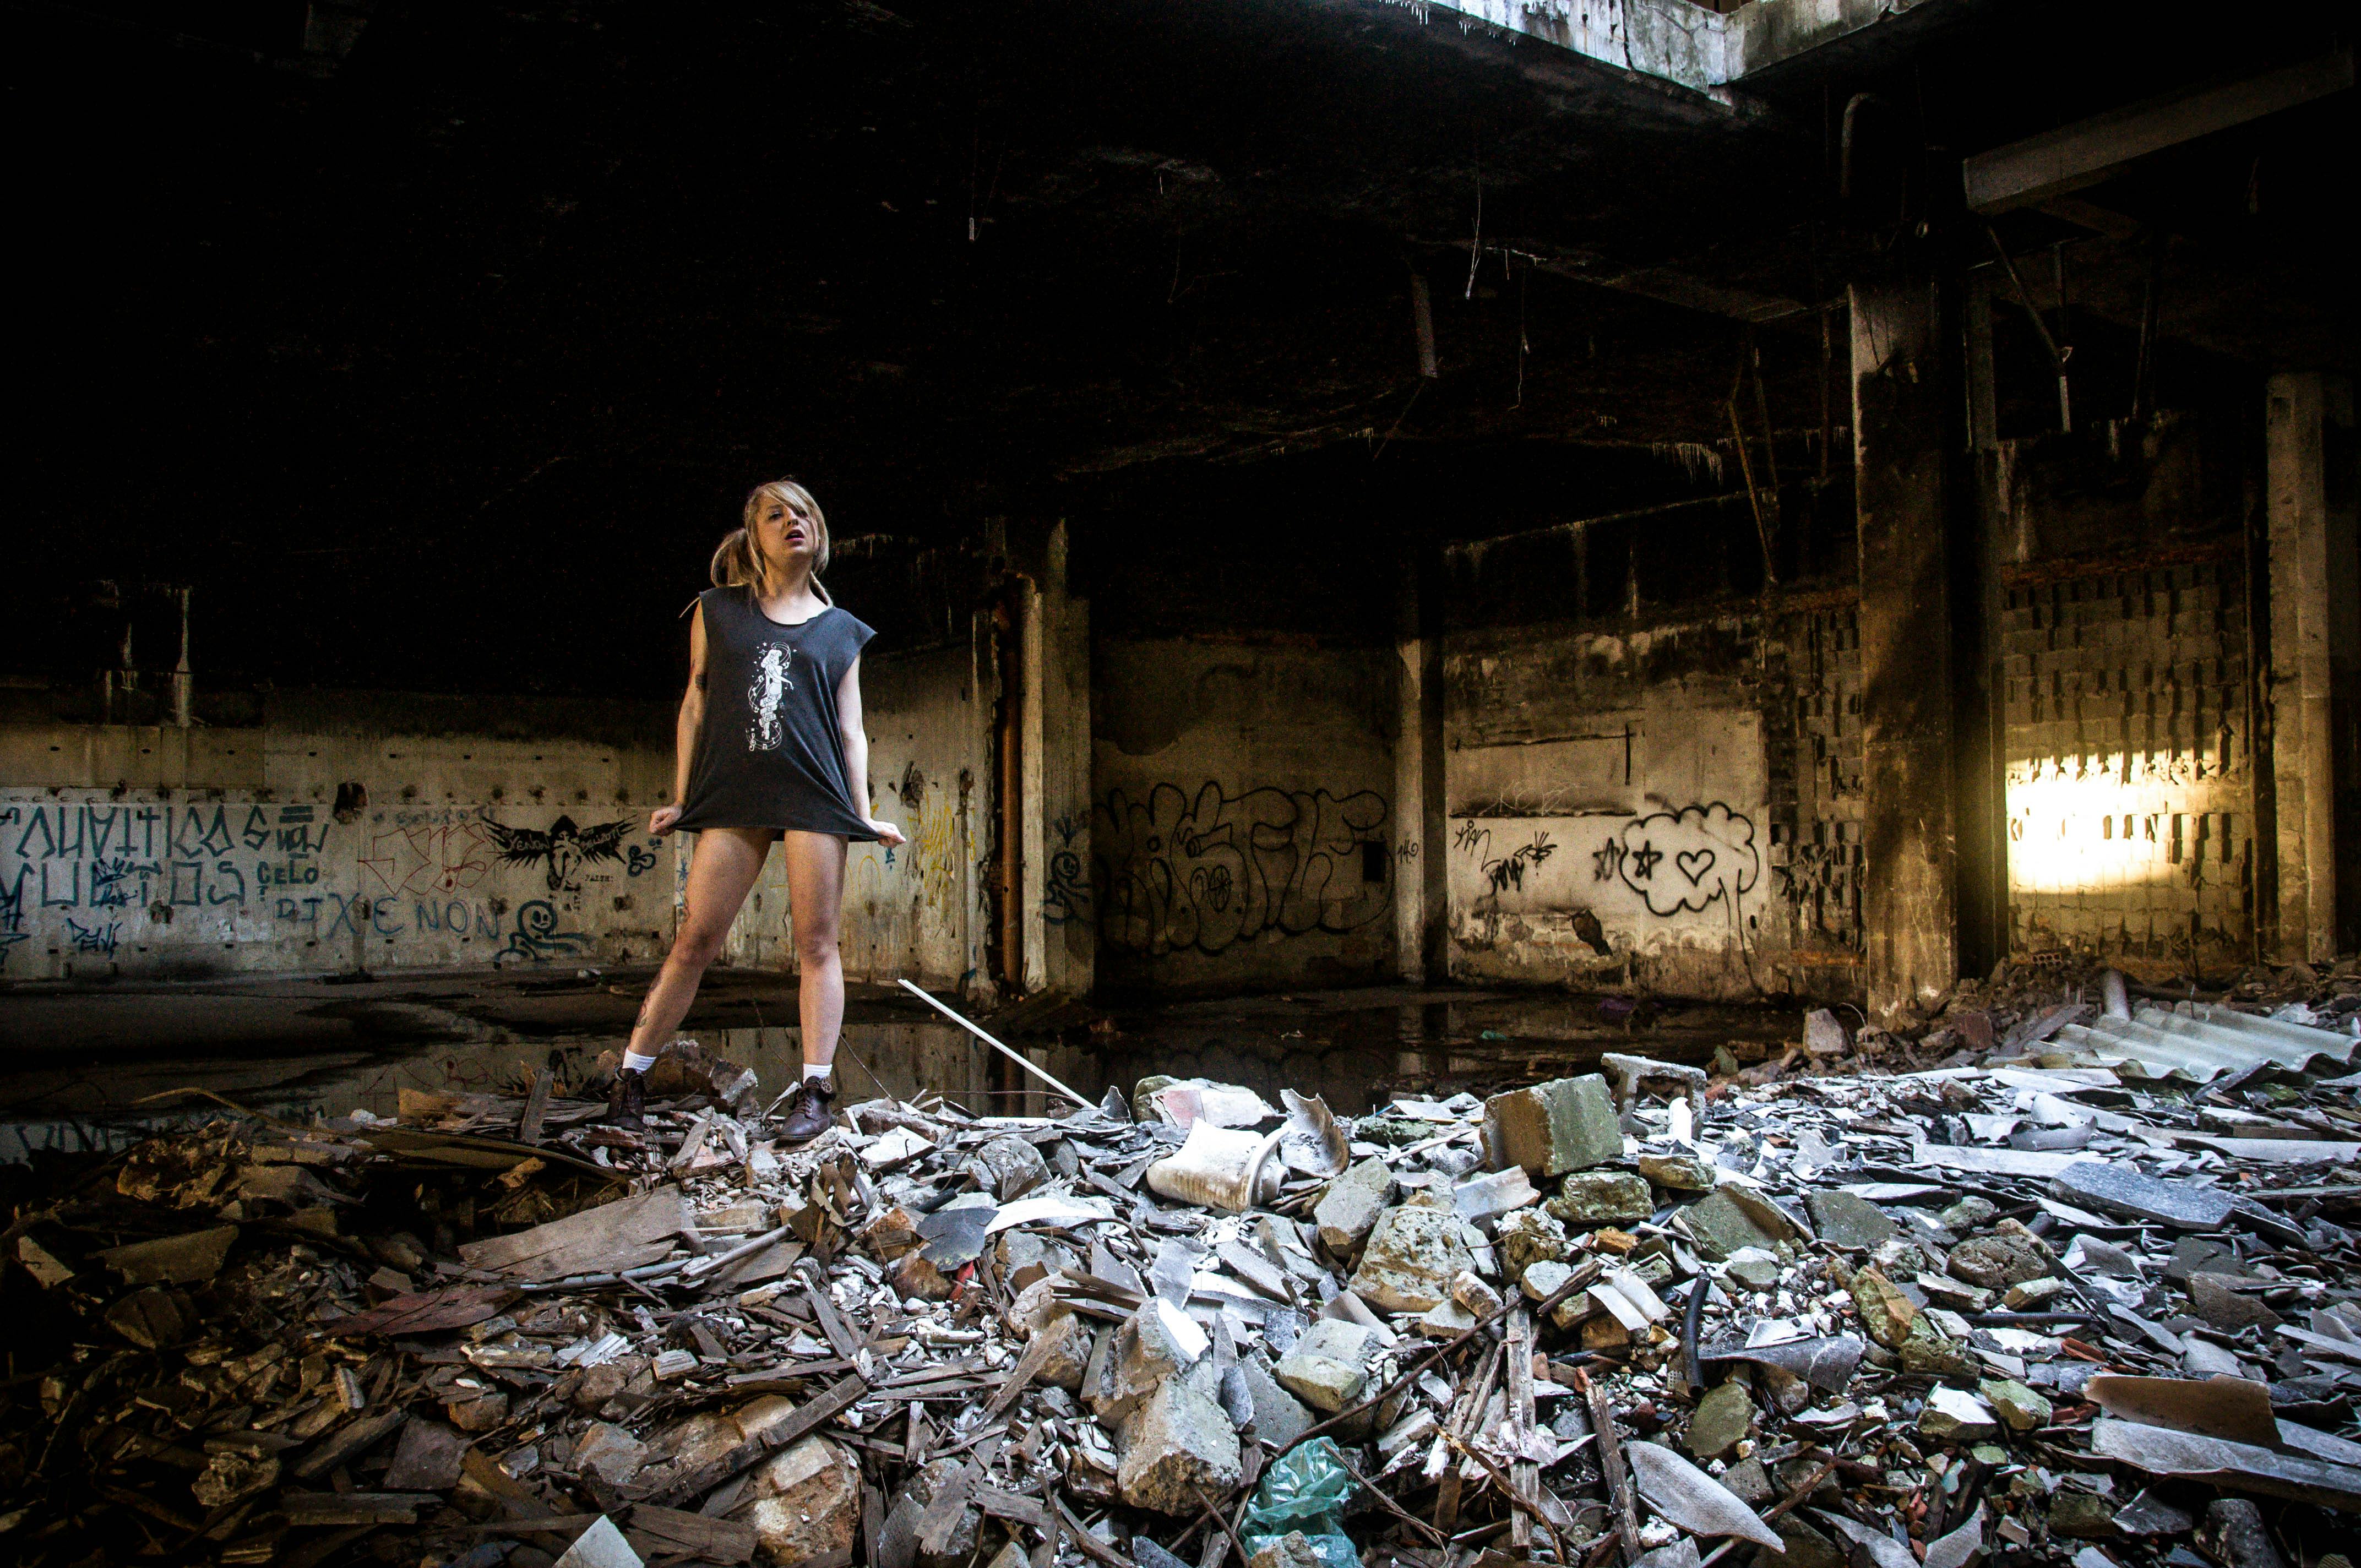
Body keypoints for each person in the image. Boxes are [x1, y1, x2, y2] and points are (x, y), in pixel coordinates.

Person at [613, 478, 905, 1138]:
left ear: (819, 531)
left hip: (813, 793)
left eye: (803, 512)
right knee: (695, 940)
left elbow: (851, 730)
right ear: (755, 535)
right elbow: (694, 701)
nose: (793, 521)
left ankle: (815, 1093)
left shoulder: (843, 631)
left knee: (816, 944)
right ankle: (630, 1076)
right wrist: (685, 797)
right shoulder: (717, 611)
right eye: (777, 514)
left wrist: (862, 813)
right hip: (734, 792)